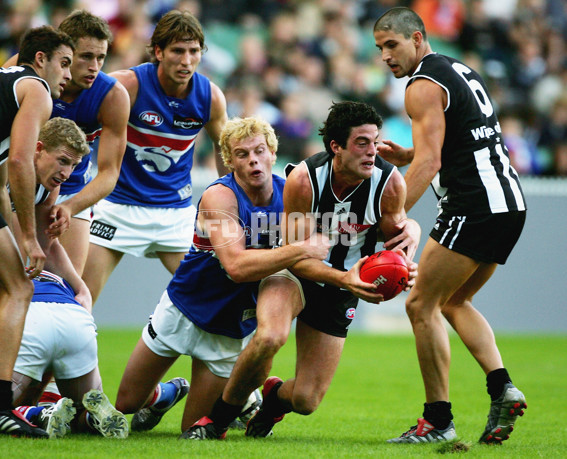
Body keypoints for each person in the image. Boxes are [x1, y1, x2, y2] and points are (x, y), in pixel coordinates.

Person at [181, 101, 420, 440]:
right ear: (336, 146)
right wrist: (344, 278)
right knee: (269, 336)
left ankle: (273, 399)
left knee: (307, 400)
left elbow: (398, 234)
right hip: (295, 274)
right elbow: (294, 256)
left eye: (375, 141)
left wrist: (408, 253)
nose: (372, 152)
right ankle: (216, 421)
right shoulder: (303, 181)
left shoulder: (390, 184)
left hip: (342, 288)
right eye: (361, 143)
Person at [115, 116, 330, 434]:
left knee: (194, 431)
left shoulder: (292, 196)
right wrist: (301, 249)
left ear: (273, 152)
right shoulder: (219, 197)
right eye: (242, 154)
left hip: (230, 325)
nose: (253, 160)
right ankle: (167, 394)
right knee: (127, 404)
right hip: (184, 309)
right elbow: (236, 267)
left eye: (259, 150)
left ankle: (241, 399)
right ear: (229, 161)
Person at [373, 7, 527, 444]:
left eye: (392, 44)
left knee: (420, 304)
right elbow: (456, 140)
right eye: (380, 48)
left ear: (417, 38)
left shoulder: (420, 86)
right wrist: (410, 155)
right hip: (509, 204)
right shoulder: (458, 69)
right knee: (455, 301)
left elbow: (432, 161)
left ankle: (437, 422)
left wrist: (391, 219)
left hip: (473, 206)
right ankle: (503, 389)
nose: (385, 55)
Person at [0, 25, 74, 437]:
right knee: (18, 288)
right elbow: (19, 162)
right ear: (41, 59)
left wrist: (14, 239)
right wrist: (30, 240)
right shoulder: (36, 89)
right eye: (63, 63)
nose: (66, 74)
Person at [82, 9, 229, 305]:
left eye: (194, 51)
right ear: (158, 52)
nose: (186, 61)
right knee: (79, 299)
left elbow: (224, 148)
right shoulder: (128, 85)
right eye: (177, 51)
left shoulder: (210, 97)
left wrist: (232, 199)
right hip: (117, 207)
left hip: (175, 213)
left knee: (206, 304)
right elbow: (77, 110)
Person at [3, 10, 130, 275]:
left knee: (71, 294)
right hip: (14, 180)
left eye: (101, 57)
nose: (95, 66)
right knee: (1, 282)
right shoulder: (26, 68)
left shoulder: (113, 96)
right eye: (86, 56)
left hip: (69, 188)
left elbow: (110, 173)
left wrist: (70, 207)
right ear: (65, 52)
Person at [0, 117, 90, 381]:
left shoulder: (48, 188)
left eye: (73, 165)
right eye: (62, 160)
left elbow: (45, 243)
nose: (67, 174)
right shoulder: (2, 166)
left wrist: (80, 287)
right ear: (38, 149)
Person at [0, 269, 128, 439]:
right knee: (79, 409)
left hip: (27, 323)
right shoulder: (55, 274)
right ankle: (91, 417)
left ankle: (40, 414)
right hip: (75, 322)